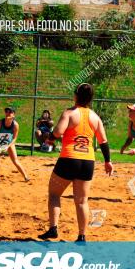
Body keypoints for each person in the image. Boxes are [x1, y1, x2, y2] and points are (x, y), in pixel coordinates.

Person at [38, 83, 113, 243]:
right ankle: (81, 236)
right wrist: (108, 161)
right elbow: (103, 141)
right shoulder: (95, 117)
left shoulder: (70, 113)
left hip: (69, 158)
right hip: (87, 162)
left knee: (54, 194)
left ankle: (53, 229)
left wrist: (49, 139)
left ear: (76, 96)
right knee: (82, 201)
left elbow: (58, 132)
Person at [0, 106, 30, 182]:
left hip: (9, 141)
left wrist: (7, 146)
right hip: (0, 140)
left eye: (10, 112)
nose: (8, 113)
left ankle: (26, 177)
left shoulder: (15, 125)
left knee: (15, 160)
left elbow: (14, 139)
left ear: (14, 115)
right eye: (6, 111)